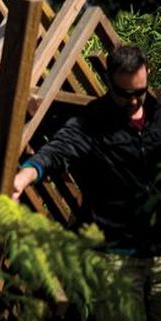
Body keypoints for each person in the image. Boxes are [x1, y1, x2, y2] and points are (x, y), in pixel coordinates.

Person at [11, 45, 161, 317]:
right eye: (124, 94)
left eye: (139, 92)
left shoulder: (159, 118)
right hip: (115, 261)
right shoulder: (93, 122)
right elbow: (56, 151)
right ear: (109, 81)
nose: (134, 102)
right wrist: (25, 175)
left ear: (147, 75)